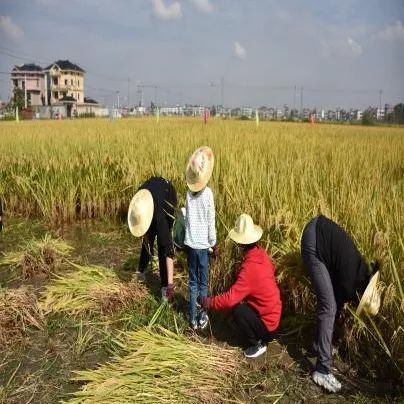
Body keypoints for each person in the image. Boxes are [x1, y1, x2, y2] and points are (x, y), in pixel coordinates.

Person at [301, 215, 381, 393]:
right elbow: (331, 306)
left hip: (317, 230)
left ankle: (318, 346)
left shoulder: (359, 272)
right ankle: (322, 370)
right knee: (329, 307)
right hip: (314, 242)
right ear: (361, 296)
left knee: (332, 305)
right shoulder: (350, 282)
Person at [200, 213, 282, 358]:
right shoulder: (261, 254)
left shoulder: (249, 268)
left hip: (268, 326)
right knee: (244, 305)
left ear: (240, 243)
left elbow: (231, 299)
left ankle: (257, 344)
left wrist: (210, 302)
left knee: (239, 310)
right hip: (275, 316)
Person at [184, 146, 218, 330]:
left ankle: (192, 317)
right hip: (204, 247)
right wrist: (214, 244)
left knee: (192, 282)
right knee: (203, 282)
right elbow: (210, 221)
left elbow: (188, 218)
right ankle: (202, 316)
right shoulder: (208, 194)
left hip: (190, 245)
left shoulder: (188, 194)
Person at [128, 176, 177, 302]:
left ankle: (165, 286)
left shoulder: (159, 217)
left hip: (167, 197)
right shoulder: (138, 202)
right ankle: (141, 271)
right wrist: (146, 237)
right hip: (153, 195)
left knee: (162, 246)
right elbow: (143, 233)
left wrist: (171, 284)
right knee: (148, 237)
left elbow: (169, 250)